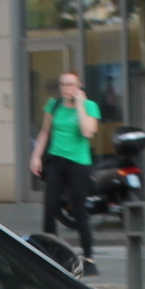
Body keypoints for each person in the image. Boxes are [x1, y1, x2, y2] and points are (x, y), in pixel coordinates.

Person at [29, 70, 101, 270]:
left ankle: (89, 258)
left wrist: (79, 106)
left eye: (71, 84)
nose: (66, 88)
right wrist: (36, 156)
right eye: (63, 84)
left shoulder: (89, 106)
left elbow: (88, 131)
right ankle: (49, 254)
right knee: (49, 208)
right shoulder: (54, 105)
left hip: (78, 163)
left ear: (79, 86)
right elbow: (45, 132)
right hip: (56, 162)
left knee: (78, 210)